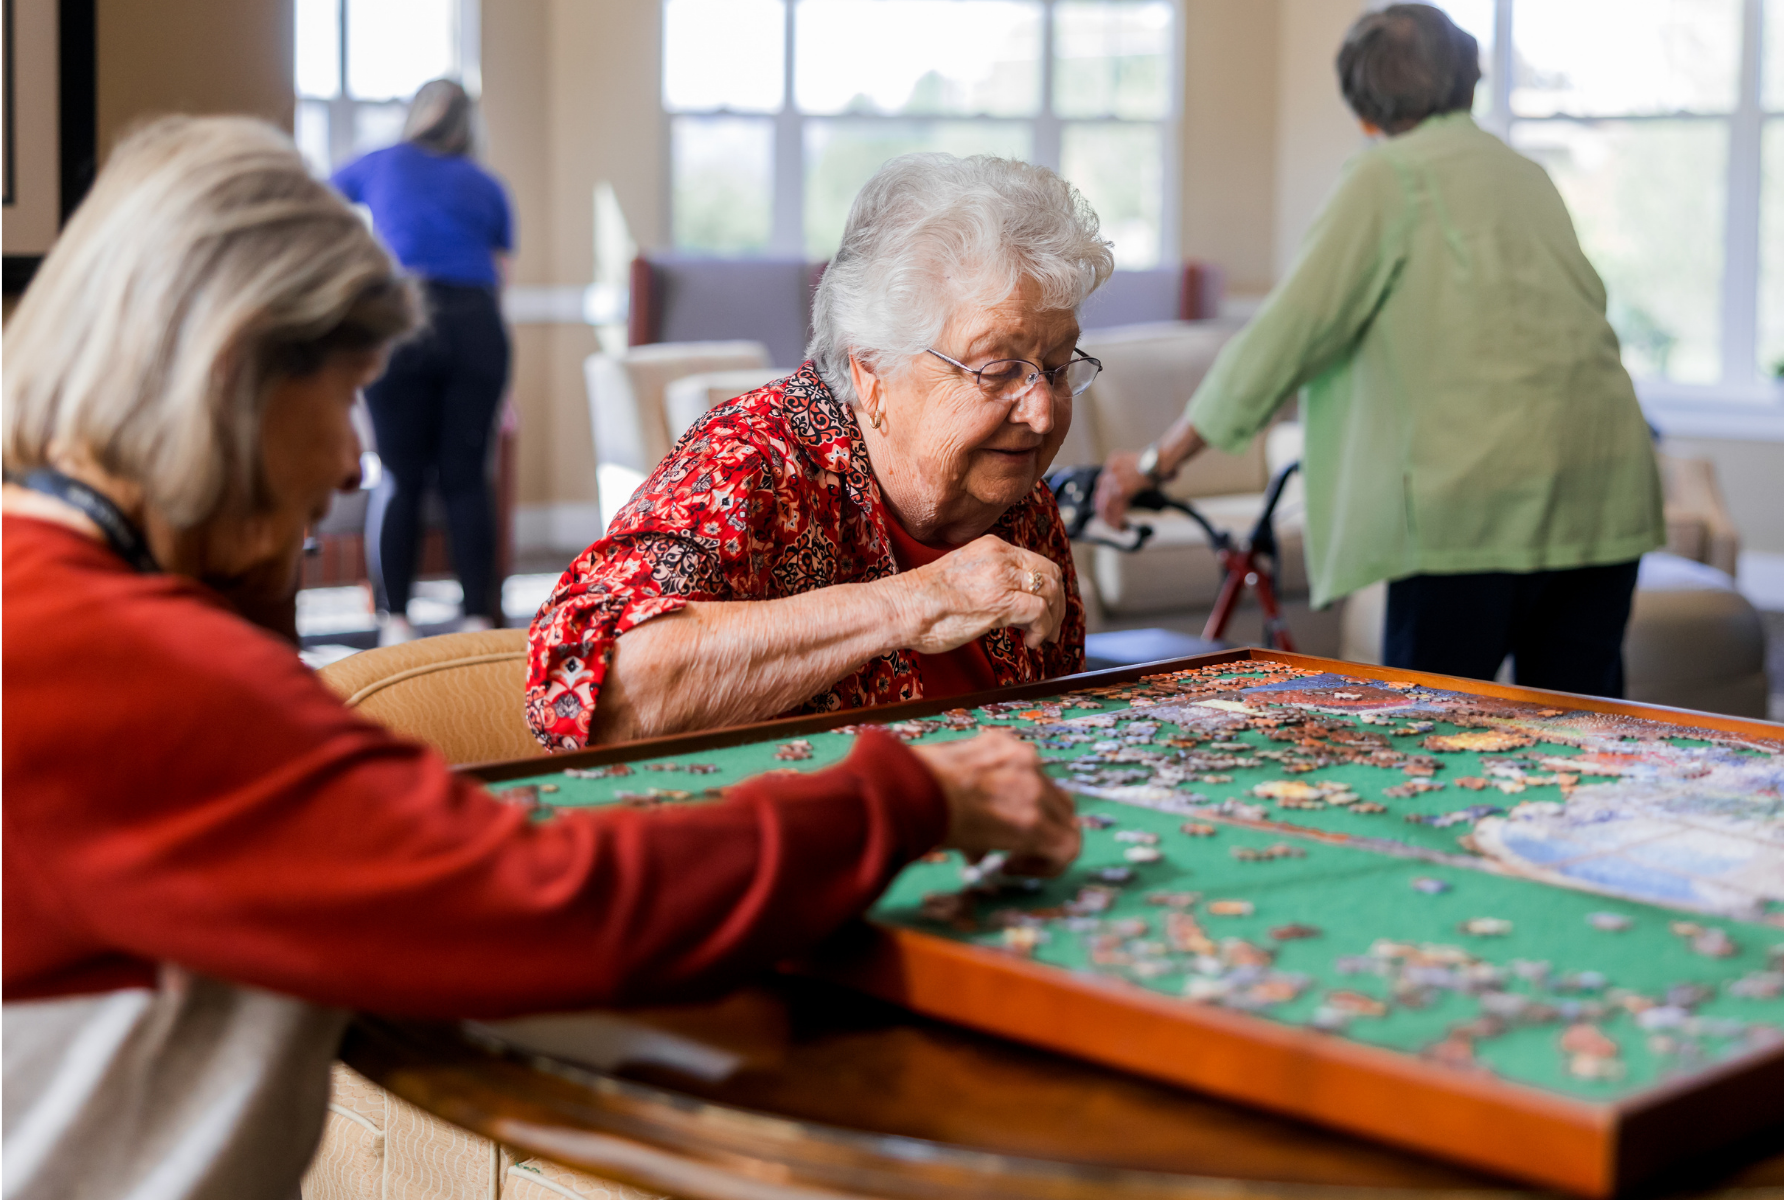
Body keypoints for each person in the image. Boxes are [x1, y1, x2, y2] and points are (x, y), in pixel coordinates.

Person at [0, 117, 1079, 1200]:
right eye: (340, 400)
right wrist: (908, 798)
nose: (345, 462)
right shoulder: (126, 670)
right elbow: (553, 907)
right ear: (225, 379)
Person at [1095, 3, 1663, 699]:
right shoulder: (1524, 173)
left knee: (1428, 742)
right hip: (1605, 490)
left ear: (1365, 110)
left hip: (1474, 505)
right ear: (1469, 83)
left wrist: (1153, 465)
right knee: (1585, 736)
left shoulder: (1385, 176)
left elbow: (1283, 338)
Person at [527, 154, 1112, 750]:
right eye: (996, 368)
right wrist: (917, 601)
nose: (1041, 413)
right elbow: (584, 694)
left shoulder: (1014, 495)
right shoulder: (752, 464)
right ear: (871, 372)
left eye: (1058, 366)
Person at [332, 79, 513, 644]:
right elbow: (498, 273)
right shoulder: (485, 184)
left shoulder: (381, 163)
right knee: (466, 478)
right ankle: (480, 619)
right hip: (475, 325)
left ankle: (396, 621)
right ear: (468, 126)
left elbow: (311, 201)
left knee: (400, 478)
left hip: (401, 319)